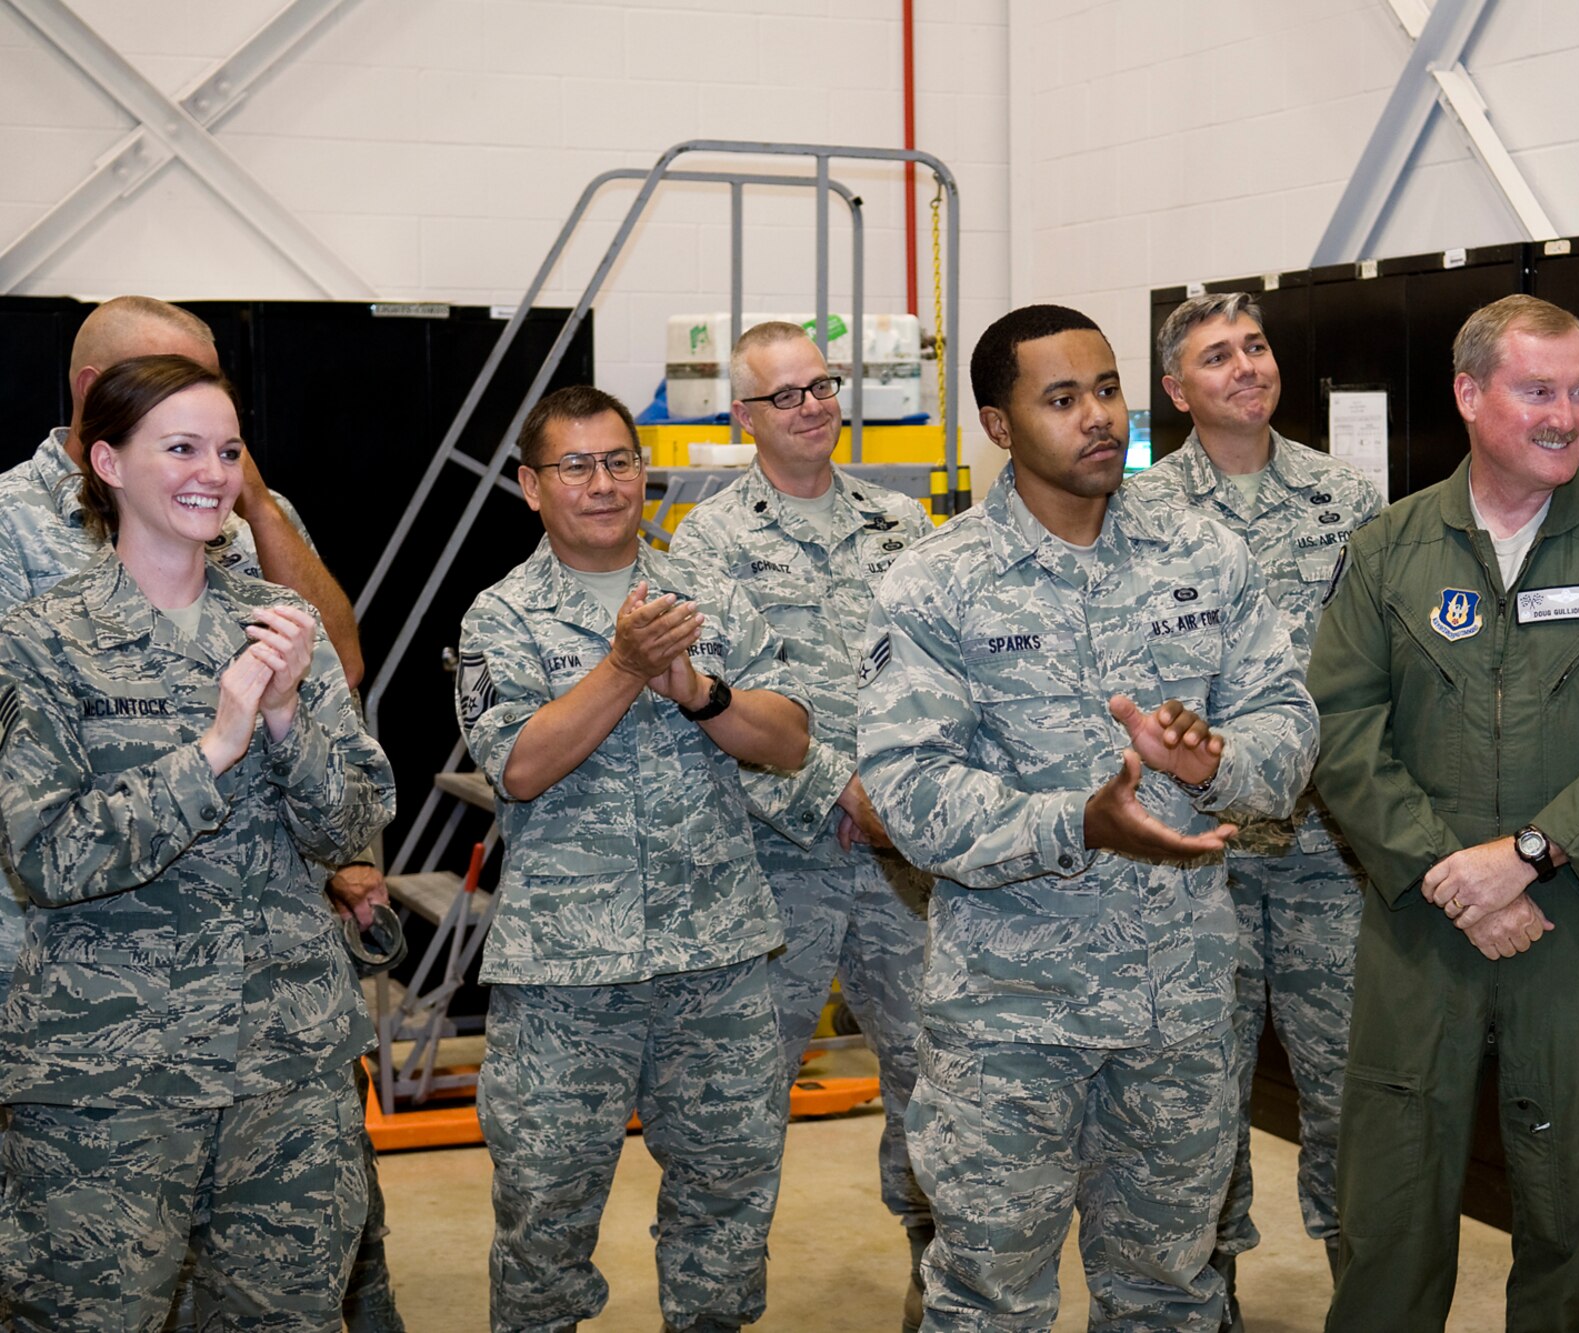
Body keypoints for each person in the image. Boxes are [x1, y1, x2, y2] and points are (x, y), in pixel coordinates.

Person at [859, 304, 1317, 1332]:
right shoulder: (935, 584)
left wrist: (1214, 765)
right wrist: (1079, 822)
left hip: (1180, 1007)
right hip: (1007, 1020)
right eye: (1060, 398)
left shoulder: (1203, 553)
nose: (1097, 417)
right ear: (998, 423)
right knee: (988, 1302)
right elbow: (909, 791)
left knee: (1168, 1293)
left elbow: (1286, 726)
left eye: (1105, 389)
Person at [1309, 295, 1579, 1332]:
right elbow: (1340, 725)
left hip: (1578, 915)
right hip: (1421, 915)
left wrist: (1530, 855)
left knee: (1578, 1203)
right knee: (1391, 1201)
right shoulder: (1387, 548)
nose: (1565, 414)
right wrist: (1453, 871)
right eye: (1536, 389)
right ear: (1466, 392)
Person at [0, 295, 400, 1332]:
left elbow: (351, 821)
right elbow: (46, 856)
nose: (212, 475)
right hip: (109, 1077)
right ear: (107, 460)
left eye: (226, 449)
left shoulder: (285, 623)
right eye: (179, 446)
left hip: (289, 1067)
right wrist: (213, 748)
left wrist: (281, 727)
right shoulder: (41, 642)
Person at [456, 385, 811, 1333]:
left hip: (718, 962)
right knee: (543, 1216)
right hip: (567, 979)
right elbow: (519, 766)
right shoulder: (502, 616)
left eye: (619, 460)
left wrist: (697, 689)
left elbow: (789, 738)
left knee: (728, 1208)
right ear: (532, 486)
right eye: (576, 466)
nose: (604, 483)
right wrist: (620, 668)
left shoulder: (712, 595)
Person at [669, 322, 936, 1330]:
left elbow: (936, 677)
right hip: (772, 865)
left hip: (903, 865)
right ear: (743, 416)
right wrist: (840, 793)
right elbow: (722, 705)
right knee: (739, 1107)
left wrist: (903, 800)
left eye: (821, 385)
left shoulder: (904, 524)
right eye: (785, 394)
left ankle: (940, 1281)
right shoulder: (711, 541)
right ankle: (717, 1308)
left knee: (934, 1083)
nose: (812, 405)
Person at [1124, 291, 1383, 1322]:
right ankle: (1206, 1299)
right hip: (1197, 852)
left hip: (1330, 848)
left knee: (1352, 1097)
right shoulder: (1140, 513)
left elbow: (1376, 670)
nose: (1246, 366)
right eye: (1216, 355)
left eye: (1256, 345)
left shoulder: (1347, 499)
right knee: (1195, 1097)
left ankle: (1361, 1295)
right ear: (1175, 389)